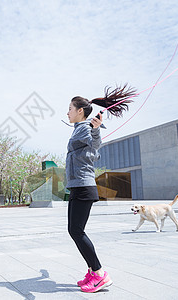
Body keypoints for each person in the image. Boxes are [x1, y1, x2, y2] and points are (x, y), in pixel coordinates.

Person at [65, 84, 135, 293]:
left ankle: (100, 273)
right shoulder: (79, 128)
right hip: (77, 185)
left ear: (80, 111)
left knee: (76, 231)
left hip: (84, 186)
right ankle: (91, 271)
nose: (67, 112)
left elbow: (95, 145)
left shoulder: (86, 128)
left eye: (69, 108)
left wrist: (95, 130)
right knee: (74, 230)